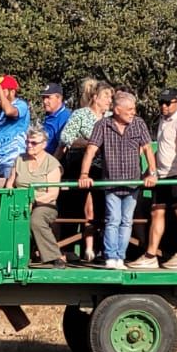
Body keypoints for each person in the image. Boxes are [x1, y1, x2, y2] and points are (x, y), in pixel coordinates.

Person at [78, 91, 157, 269]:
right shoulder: (103, 125)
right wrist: (84, 174)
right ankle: (110, 256)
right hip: (111, 182)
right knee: (113, 218)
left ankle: (120, 256)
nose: (132, 112)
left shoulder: (139, 124)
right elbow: (90, 151)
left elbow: (147, 149)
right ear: (117, 109)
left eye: (134, 109)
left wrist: (152, 173)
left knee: (126, 220)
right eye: (129, 109)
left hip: (132, 182)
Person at [135, 89, 177, 269]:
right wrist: (149, 170)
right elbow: (161, 148)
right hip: (162, 174)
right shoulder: (162, 120)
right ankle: (151, 254)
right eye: (161, 102)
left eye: (167, 102)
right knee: (157, 211)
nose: (163, 106)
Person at [60, 80, 113, 261]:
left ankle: (97, 250)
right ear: (95, 97)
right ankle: (67, 249)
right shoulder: (80, 114)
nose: (109, 100)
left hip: (104, 168)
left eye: (111, 97)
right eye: (106, 96)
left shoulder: (112, 117)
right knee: (74, 205)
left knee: (99, 207)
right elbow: (67, 137)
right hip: (79, 164)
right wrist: (91, 143)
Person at [7, 128, 64, 266]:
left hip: (44, 204)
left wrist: (32, 201)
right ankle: (15, 257)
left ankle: (54, 256)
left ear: (44, 144)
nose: (29, 146)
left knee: (36, 220)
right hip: (20, 202)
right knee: (9, 218)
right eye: (27, 142)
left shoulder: (51, 164)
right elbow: (10, 184)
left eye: (33, 143)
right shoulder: (19, 159)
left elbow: (52, 193)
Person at [0, 74, 32, 179]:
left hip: (13, 162)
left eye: (3, 91)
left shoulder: (21, 105)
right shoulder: (0, 111)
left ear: (12, 92)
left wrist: (0, 92)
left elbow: (10, 111)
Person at [40, 83, 72, 155]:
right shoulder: (49, 115)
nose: (45, 101)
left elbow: (62, 147)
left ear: (59, 98)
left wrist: (52, 164)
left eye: (48, 97)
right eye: (43, 98)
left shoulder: (65, 117)